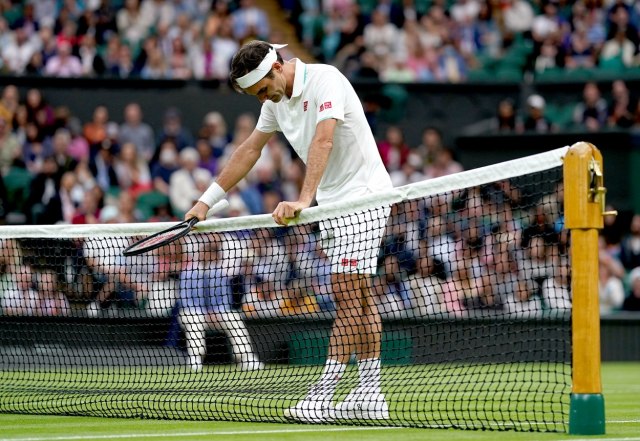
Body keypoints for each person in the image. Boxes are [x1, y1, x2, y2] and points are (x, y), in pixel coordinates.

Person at [185, 41, 393, 422]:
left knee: (347, 293)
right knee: (361, 297)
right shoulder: (274, 103)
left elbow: (324, 140)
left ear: (277, 68)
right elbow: (250, 150)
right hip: (333, 204)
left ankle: (323, 394)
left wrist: (303, 199)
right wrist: (205, 201)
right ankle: (370, 393)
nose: (263, 99)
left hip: (365, 195)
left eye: (263, 89)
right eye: (256, 95)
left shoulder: (326, 79)